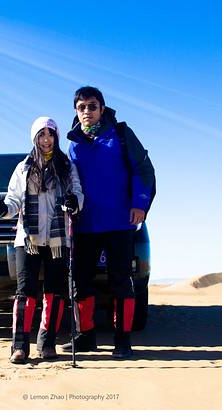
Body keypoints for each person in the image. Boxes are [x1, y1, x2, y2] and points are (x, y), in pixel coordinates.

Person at [64, 86, 155, 358]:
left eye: (92, 106)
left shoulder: (121, 135)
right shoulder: (73, 143)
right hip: (85, 224)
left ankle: (122, 340)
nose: (87, 111)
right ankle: (85, 336)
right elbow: (69, 181)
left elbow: (143, 170)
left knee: (121, 281)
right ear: (76, 111)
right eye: (81, 107)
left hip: (119, 222)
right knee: (80, 280)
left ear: (102, 108)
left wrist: (139, 204)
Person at [0, 116, 84, 364]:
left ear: (56, 136)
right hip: (28, 238)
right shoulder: (23, 168)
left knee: (55, 293)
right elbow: (14, 200)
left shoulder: (66, 166)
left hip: (58, 240)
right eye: (41, 135)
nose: (46, 139)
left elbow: (77, 193)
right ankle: (20, 346)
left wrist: (74, 202)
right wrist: (4, 209)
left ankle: (47, 343)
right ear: (34, 138)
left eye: (50, 134)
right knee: (25, 292)